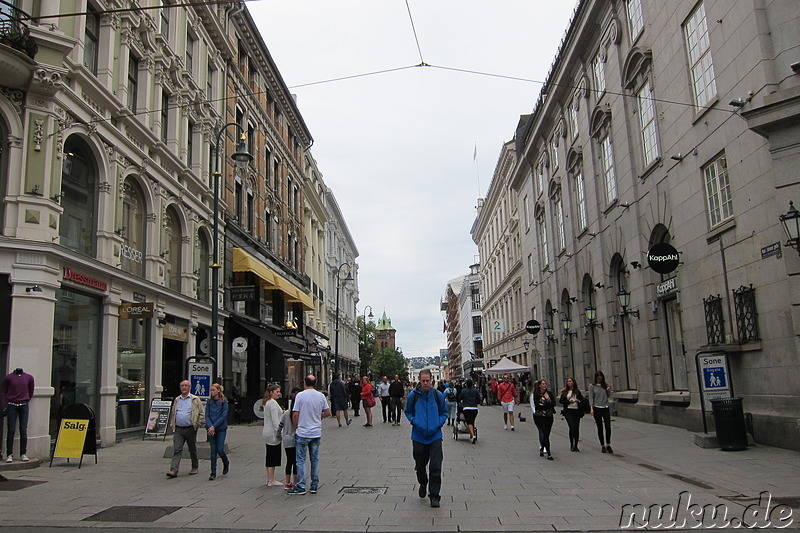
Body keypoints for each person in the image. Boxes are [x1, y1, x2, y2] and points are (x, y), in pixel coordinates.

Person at [405, 368, 448, 508]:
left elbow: (444, 412)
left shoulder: (438, 395)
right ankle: (423, 482)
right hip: (418, 436)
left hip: (435, 436)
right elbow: (408, 411)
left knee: (436, 467)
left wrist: (438, 423)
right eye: (423, 381)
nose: (425, 383)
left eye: (427, 381)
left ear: (431, 381)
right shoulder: (413, 396)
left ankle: (434, 496)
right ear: (419, 380)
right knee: (420, 466)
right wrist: (415, 422)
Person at [287, 375, 331, 495]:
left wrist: (296, 427)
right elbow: (327, 412)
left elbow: (295, 414)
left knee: (300, 460)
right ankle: (314, 485)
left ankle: (301, 486)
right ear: (315, 383)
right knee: (315, 459)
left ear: (304, 383)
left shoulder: (300, 396)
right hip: (316, 432)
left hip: (302, 431)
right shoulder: (320, 396)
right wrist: (319, 416)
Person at [167, 380, 205, 477]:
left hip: (190, 428)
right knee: (177, 449)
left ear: (189, 387)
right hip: (179, 429)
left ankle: (195, 467)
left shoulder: (195, 399)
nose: (184, 387)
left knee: (192, 448)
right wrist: (172, 425)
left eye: (186, 386)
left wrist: (198, 423)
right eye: (182, 386)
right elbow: (173, 413)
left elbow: (201, 413)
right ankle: (173, 470)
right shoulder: (177, 400)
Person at [1, 368, 34, 463]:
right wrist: (4, 405)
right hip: (11, 405)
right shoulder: (8, 378)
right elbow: (3, 392)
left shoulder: (29, 377)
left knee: (23, 429)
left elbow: (30, 391)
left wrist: (26, 399)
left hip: (23, 405)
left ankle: (23, 453)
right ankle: (9, 454)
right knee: (11, 430)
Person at [205, 383, 230, 480]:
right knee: (213, 450)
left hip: (220, 428)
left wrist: (214, 426)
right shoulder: (209, 402)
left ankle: (225, 461)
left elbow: (223, 415)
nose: (211, 392)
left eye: (213, 390)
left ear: (218, 390)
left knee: (220, 449)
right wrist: (209, 426)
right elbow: (207, 415)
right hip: (211, 428)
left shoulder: (223, 401)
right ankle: (213, 472)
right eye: (210, 390)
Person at [261, 383, 284, 487]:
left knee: (269, 455)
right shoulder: (273, 403)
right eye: (277, 392)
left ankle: (269, 478)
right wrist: (278, 432)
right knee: (272, 456)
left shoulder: (267, 403)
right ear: (271, 392)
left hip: (266, 431)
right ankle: (271, 479)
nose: (279, 394)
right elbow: (275, 421)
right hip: (272, 433)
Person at [280, 387, 301, 491]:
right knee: (296, 462)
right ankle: (296, 482)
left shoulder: (286, 413)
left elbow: (280, 425)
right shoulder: (298, 414)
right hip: (296, 439)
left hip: (287, 439)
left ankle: (287, 482)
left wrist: (278, 434)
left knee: (289, 461)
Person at [589, 371, 613, 454]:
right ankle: (602, 445)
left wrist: (608, 391)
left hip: (605, 407)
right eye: (598, 377)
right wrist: (591, 408)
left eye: (601, 377)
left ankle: (608, 444)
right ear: (596, 378)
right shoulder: (592, 386)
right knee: (600, 427)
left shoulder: (605, 385)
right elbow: (591, 397)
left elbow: (608, 396)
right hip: (597, 408)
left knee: (608, 426)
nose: (599, 378)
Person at [531, 379, 556, 460]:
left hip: (549, 416)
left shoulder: (550, 393)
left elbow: (554, 404)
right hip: (539, 416)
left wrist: (546, 402)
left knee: (547, 434)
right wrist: (547, 404)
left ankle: (542, 448)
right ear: (539, 385)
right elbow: (537, 405)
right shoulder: (536, 394)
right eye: (543, 384)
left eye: (545, 384)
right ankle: (549, 453)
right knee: (545, 433)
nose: (544, 385)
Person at [559, 377, 584, 452]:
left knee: (576, 428)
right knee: (572, 427)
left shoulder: (577, 391)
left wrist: (578, 401)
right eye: (568, 381)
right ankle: (571, 444)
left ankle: (575, 445)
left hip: (576, 411)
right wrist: (568, 402)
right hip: (568, 411)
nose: (569, 383)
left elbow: (581, 400)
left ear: (573, 382)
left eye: (570, 381)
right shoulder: (565, 391)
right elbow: (561, 400)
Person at [459, 379, 481, 443]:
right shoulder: (475, 391)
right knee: (472, 421)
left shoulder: (463, 391)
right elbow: (479, 399)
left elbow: (460, 398)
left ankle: (473, 435)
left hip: (467, 408)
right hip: (474, 409)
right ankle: (471, 435)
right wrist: (475, 403)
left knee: (469, 422)